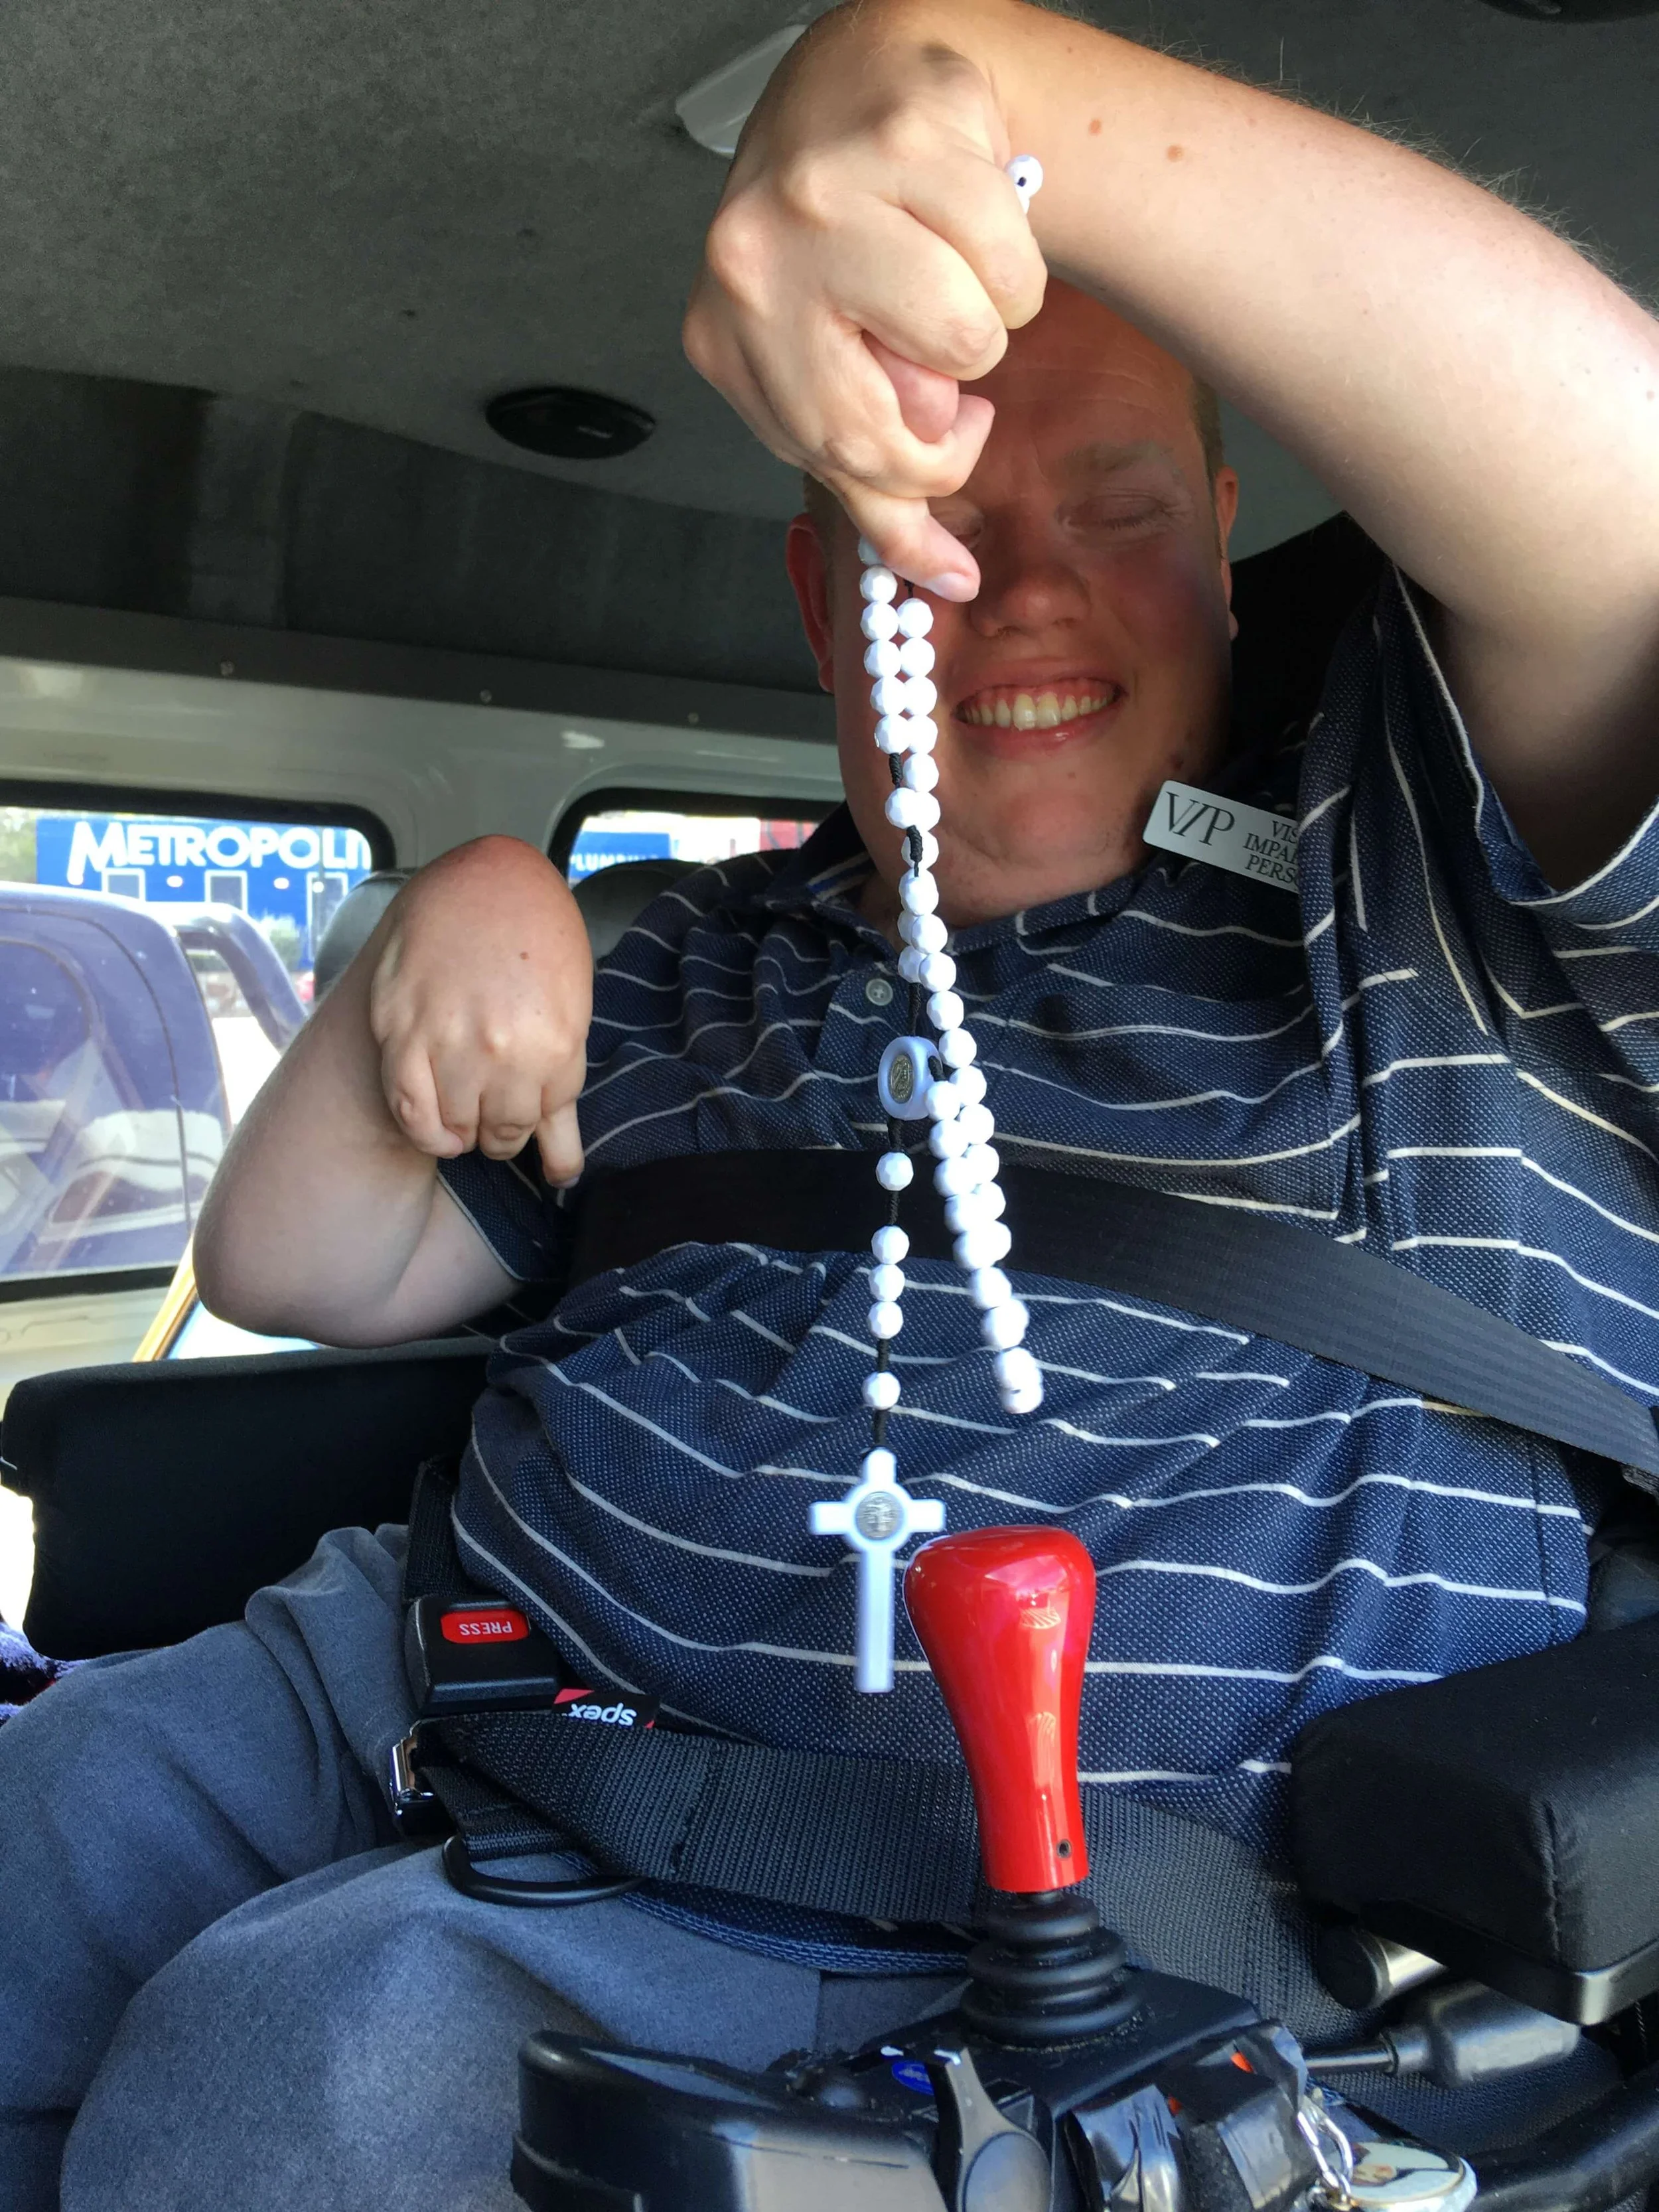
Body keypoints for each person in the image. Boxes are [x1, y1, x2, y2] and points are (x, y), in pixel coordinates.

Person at [4, 1, 1659, 2204]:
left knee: (281, 2077)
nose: (1026, 587)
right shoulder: (694, 945)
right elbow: (291, 1259)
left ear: (1229, 542)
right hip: (413, 1677)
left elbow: (1623, 511)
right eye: (929, 524)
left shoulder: (1433, 884)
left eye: (1117, 506)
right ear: (816, 597)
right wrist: (444, 927)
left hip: (998, 1917)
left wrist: (970, 76)